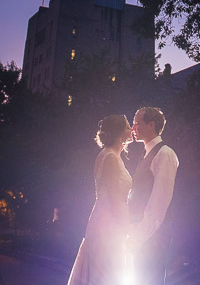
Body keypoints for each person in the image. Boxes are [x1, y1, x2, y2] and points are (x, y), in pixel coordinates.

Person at [68, 114, 134, 285]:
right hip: (109, 221)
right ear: (119, 132)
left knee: (108, 271)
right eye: (128, 127)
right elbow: (115, 198)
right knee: (108, 271)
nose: (132, 129)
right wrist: (126, 226)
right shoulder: (110, 157)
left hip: (104, 217)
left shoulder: (111, 155)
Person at [128, 107, 179, 285]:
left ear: (151, 125)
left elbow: (159, 203)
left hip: (153, 238)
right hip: (141, 234)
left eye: (137, 123)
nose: (133, 128)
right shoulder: (146, 153)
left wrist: (138, 237)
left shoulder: (165, 153)